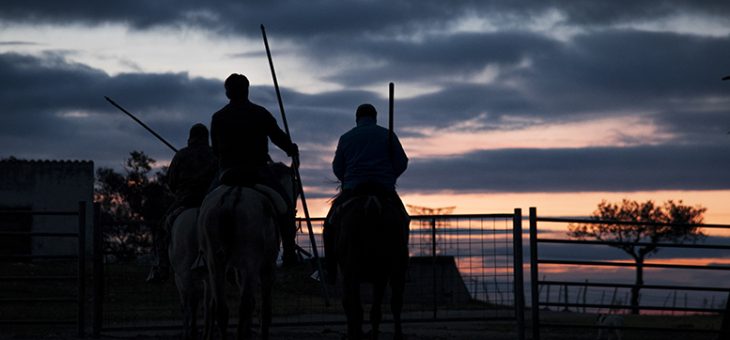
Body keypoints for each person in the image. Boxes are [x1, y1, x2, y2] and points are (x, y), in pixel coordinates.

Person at [210, 73, 300, 266]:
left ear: (227, 93)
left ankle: (203, 253)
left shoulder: (218, 117)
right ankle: (290, 250)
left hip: (227, 174)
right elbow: (278, 137)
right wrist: (291, 149)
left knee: (205, 205)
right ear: (247, 90)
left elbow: (215, 151)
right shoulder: (260, 113)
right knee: (285, 206)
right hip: (258, 173)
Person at [323, 103, 409, 284]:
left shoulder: (346, 138)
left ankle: (330, 270)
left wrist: (346, 180)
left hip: (354, 189)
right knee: (403, 219)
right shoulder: (388, 134)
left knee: (330, 224)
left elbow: (337, 167)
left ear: (357, 119)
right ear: (375, 117)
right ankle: (402, 265)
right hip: (384, 189)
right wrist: (391, 176)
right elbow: (402, 162)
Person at [146, 123, 217, 283]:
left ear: (190, 138)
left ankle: (161, 266)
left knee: (161, 228)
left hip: (186, 200)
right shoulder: (215, 155)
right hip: (211, 201)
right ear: (206, 138)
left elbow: (171, 181)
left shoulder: (181, 155)